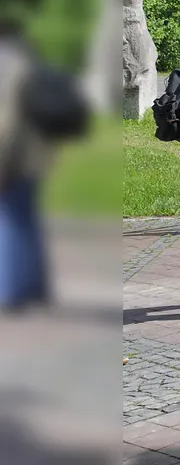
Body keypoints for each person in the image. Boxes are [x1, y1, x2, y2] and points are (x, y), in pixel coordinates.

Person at [0, 28, 89, 311]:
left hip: (15, 158)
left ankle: (10, 292)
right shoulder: (27, 60)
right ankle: (35, 287)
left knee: (11, 222)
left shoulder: (7, 66)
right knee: (26, 220)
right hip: (37, 155)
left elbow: (6, 122)